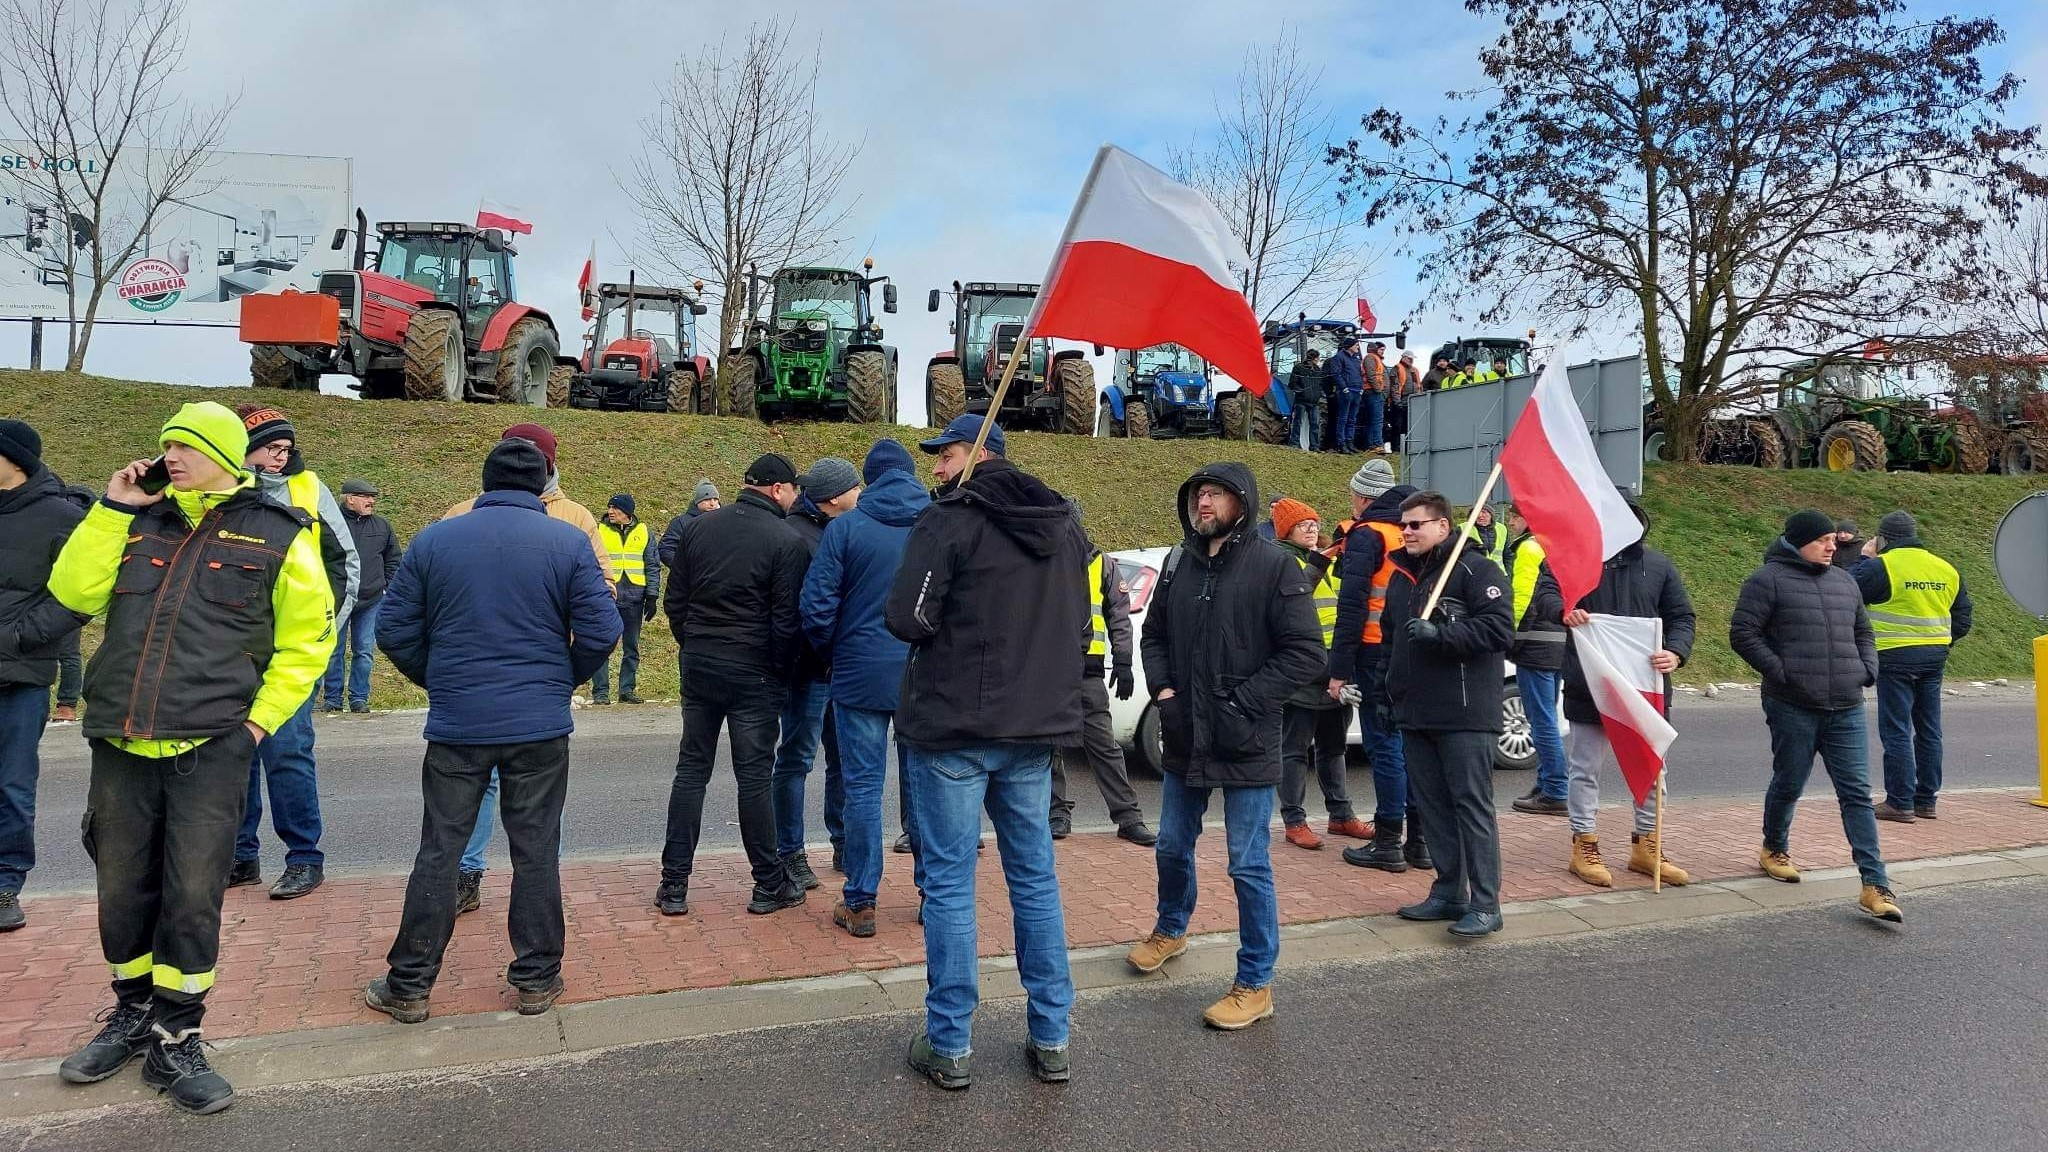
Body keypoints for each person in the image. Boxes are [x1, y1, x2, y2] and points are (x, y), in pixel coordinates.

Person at [49, 401, 333, 1114]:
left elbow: (308, 642)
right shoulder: (134, 518)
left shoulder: (280, 530)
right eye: (166, 444)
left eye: (187, 445)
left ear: (225, 454)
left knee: (192, 895)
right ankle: (133, 1012)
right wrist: (113, 509)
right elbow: (71, 594)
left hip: (212, 744)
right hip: (120, 740)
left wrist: (257, 727)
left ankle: (178, 1035)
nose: (170, 455)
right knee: (122, 890)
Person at [365, 439, 619, 1027]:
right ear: (543, 485)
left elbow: (394, 627)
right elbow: (603, 629)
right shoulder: (569, 541)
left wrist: (438, 679)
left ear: (485, 482)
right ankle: (536, 979)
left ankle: (409, 984)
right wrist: (562, 678)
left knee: (440, 849)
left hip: (459, 724)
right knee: (536, 851)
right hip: (539, 722)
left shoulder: (435, 538)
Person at [886, 415, 1086, 1089]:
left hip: (953, 730)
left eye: (945, 455)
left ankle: (949, 1044)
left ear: (979, 455)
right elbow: (1078, 625)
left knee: (948, 883)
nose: (936, 469)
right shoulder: (1063, 524)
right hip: (1032, 730)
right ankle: (1052, 1036)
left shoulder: (949, 520)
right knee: (1034, 878)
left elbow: (906, 617)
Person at [1126, 463, 1324, 1031]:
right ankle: (1171, 927)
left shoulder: (1274, 565)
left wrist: (1242, 704)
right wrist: (1164, 691)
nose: (1203, 503)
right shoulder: (1179, 564)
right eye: (1197, 494)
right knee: (1169, 845)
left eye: (1214, 494)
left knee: (1247, 864)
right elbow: (1154, 634)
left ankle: (1255, 982)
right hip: (1186, 732)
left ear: (1241, 502)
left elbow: (1305, 653)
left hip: (1248, 738)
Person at [445, 423, 613, 915]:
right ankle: (466, 875)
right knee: (485, 788)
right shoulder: (460, 514)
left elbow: (601, 590)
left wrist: (565, 668)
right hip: (480, 676)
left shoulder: (576, 518)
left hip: (537, 676)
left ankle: (539, 888)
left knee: (533, 795)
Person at [1729, 509, 1902, 923]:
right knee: (1790, 781)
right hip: (1792, 703)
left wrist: (1866, 669)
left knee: (1856, 794)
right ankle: (1774, 847)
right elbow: (1743, 634)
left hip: (1846, 704)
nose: (1831, 547)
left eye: (1833, 541)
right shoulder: (1766, 580)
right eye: (1823, 540)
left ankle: (1875, 884)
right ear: (1797, 541)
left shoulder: (1845, 582)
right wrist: (1782, 671)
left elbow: (1864, 631)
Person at [659, 453, 810, 917]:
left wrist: (694, 643)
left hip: (701, 660)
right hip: (754, 670)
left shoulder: (697, 529)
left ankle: (673, 885)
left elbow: (675, 602)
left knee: (691, 771)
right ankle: (768, 883)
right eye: (793, 490)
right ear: (779, 490)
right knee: (754, 779)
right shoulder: (787, 541)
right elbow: (786, 623)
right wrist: (778, 672)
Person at [801, 439, 930, 938]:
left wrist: (835, 652)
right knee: (922, 785)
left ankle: (860, 901)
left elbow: (816, 606)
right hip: (921, 675)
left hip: (857, 675)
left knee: (861, 788)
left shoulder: (846, 528)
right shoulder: (935, 524)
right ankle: (929, 895)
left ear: (869, 479)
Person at [230, 404, 359, 902]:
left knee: (287, 756)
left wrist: (322, 638)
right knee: (234, 757)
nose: (281, 458)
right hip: (231, 653)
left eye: (286, 448)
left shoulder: (310, 489)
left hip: (289, 652)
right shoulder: (220, 491)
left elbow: (345, 564)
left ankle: (304, 858)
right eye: (270, 448)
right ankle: (240, 856)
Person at [1537, 494, 1696, 888]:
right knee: (1586, 767)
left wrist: (1676, 652)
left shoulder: (1658, 566)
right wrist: (1564, 610)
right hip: (1591, 682)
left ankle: (1647, 845)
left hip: (1646, 684)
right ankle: (1584, 843)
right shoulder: (1575, 558)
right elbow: (1546, 593)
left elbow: (1682, 616)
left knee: (1651, 767)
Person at [1380, 490, 1514, 937]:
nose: (1407, 532)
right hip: (1416, 711)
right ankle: (1448, 891)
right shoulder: (1402, 575)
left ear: (1442, 525)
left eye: (1416, 524)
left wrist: (1444, 632)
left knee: (1471, 806)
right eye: (1404, 525)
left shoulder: (1477, 569)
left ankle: (1486, 902)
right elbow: (1390, 638)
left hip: (1465, 711)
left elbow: (1499, 630)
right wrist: (1388, 688)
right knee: (1434, 807)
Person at [0, 420, 89, 932]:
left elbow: (76, 599)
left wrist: (15, 637)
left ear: (15, 460)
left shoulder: (61, 518)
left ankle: (6, 883)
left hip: (19, 677)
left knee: (11, 784)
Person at [1330, 461, 1429, 872]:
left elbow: (1352, 605)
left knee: (1383, 746)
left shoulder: (1367, 535)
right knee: (1412, 747)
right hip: (1415, 650)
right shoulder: (1414, 529)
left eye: (1355, 496)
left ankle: (1388, 840)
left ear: (1365, 498)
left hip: (1373, 653)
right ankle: (1419, 842)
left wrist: (1338, 669)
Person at [772, 457, 860, 891]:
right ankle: (789, 851)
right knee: (796, 758)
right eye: (854, 487)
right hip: (808, 670)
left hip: (841, 667)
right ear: (833, 497)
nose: (861, 492)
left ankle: (843, 842)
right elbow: (796, 609)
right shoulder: (795, 534)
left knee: (842, 759)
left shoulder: (846, 529)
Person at [1049, 499, 1156, 846]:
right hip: (1050, 669)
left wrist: (1123, 662)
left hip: (1088, 671)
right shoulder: (1043, 559)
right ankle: (1057, 814)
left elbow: (1119, 617)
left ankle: (1128, 817)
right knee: (1048, 746)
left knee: (1104, 747)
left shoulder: (1102, 563)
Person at [1855, 510, 1972, 822]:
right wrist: (1942, 642)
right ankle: (1926, 800)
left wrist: (1865, 558)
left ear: (1883, 539)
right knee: (1929, 729)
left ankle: (1899, 802)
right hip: (1934, 657)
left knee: (1896, 730)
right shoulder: (1945, 568)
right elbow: (1963, 618)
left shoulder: (1882, 565)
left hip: (1894, 656)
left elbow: (1844, 592)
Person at [1269, 498, 1370, 850]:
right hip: (1302, 672)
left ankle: (1341, 815)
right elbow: (1292, 600)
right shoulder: (1280, 560)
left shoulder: (1326, 560)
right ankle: (1294, 821)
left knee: (1334, 747)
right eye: (1303, 525)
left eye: (1314, 523)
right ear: (1286, 531)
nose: (1312, 530)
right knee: (1294, 750)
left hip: (1335, 669)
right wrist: (1319, 562)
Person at [1503, 504, 1570, 817]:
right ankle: (1545, 783)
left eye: (1514, 517)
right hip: (1559, 643)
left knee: (1540, 720)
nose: (1510, 523)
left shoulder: (1530, 548)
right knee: (1548, 718)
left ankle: (1555, 788)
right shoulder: (1559, 545)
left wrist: (1509, 635)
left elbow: (1522, 596)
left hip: (1536, 644)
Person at [324, 479, 399, 713]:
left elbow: (393, 558)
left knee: (364, 651)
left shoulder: (382, 526)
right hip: (338, 598)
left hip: (371, 600)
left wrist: (385, 587)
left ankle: (359, 699)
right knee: (333, 651)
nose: (371, 501)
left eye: (372, 497)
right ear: (350, 498)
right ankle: (332, 699)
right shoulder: (330, 525)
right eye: (366, 497)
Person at [592, 493, 661, 706]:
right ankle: (601, 692)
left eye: (615, 508)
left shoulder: (644, 532)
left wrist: (652, 595)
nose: (611, 511)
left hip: (634, 598)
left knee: (631, 647)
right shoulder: (598, 531)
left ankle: (626, 690)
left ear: (627, 512)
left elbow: (652, 564)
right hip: (606, 597)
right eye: (609, 507)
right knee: (602, 645)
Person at [657, 478, 722, 569]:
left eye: (715, 499)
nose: (712, 503)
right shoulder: (681, 522)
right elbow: (666, 549)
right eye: (707, 499)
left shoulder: (726, 521)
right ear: (698, 501)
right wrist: (683, 568)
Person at [1328, 337, 1365, 454]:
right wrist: (1344, 389)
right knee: (1343, 418)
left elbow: (1361, 374)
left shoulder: (1357, 359)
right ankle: (1341, 443)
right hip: (1346, 391)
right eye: (1356, 345)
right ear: (1350, 346)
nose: (1358, 347)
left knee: (1352, 419)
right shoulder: (1339, 358)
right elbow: (1336, 374)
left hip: (1356, 391)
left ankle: (1350, 442)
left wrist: (1361, 389)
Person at [1288, 348, 1326, 451]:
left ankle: (1314, 445)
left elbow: (1319, 385)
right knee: (1299, 422)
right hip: (1302, 400)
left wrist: (1318, 395)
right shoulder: (1299, 368)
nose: (1318, 360)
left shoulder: (1317, 371)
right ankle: (1295, 443)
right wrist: (1302, 392)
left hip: (1314, 401)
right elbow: (1292, 384)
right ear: (1315, 358)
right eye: (1318, 358)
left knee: (1314, 424)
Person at [1386, 350, 1420, 452]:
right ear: (1403, 357)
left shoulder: (1414, 370)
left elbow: (1418, 386)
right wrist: (1397, 402)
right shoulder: (1396, 369)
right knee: (1397, 426)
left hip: (1412, 402)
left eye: (1412, 359)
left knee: (1407, 426)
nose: (1411, 361)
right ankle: (1396, 448)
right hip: (1400, 402)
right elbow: (1394, 386)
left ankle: (1406, 448)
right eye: (1409, 359)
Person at [1358, 341, 1387, 453]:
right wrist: (1378, 389)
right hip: (1372, 391)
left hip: (1371, 390)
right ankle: (1377, 444)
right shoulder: (1371, 358)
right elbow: (1371, 375)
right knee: (1377, 419)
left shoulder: (1374, 358)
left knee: (1372, 420)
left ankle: (1370, 444)